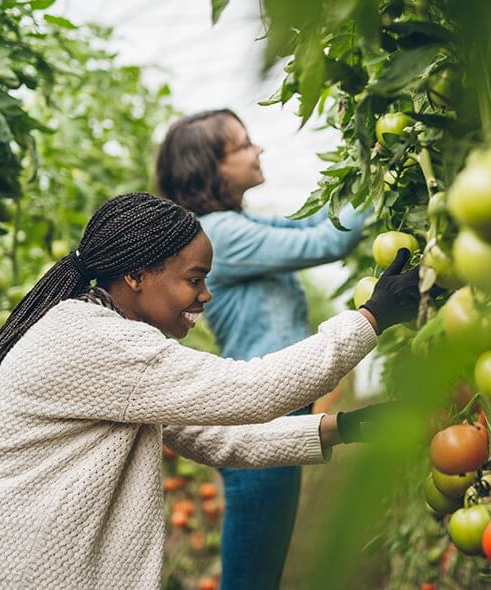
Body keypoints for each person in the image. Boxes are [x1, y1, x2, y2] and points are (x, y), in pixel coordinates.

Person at [0, 192, 420, 589]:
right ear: (136, 275)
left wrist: (344, 427)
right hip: (8, 569)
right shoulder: (98, 340)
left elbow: (217, 437)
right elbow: (253, 389)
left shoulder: (102, 340)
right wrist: (370, 318)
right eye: (194, 279)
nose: (205, 295)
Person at [157, 109, 370, 589]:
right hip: (262, 417)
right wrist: (374, 171)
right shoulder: (220, 234)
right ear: (209, 169)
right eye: (242, 145)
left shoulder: (236, 224)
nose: (259, 150)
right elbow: (327, 241)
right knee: (252, 578)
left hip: (274, 411)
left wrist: (358, 170)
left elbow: (309, 225)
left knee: (259, 571)